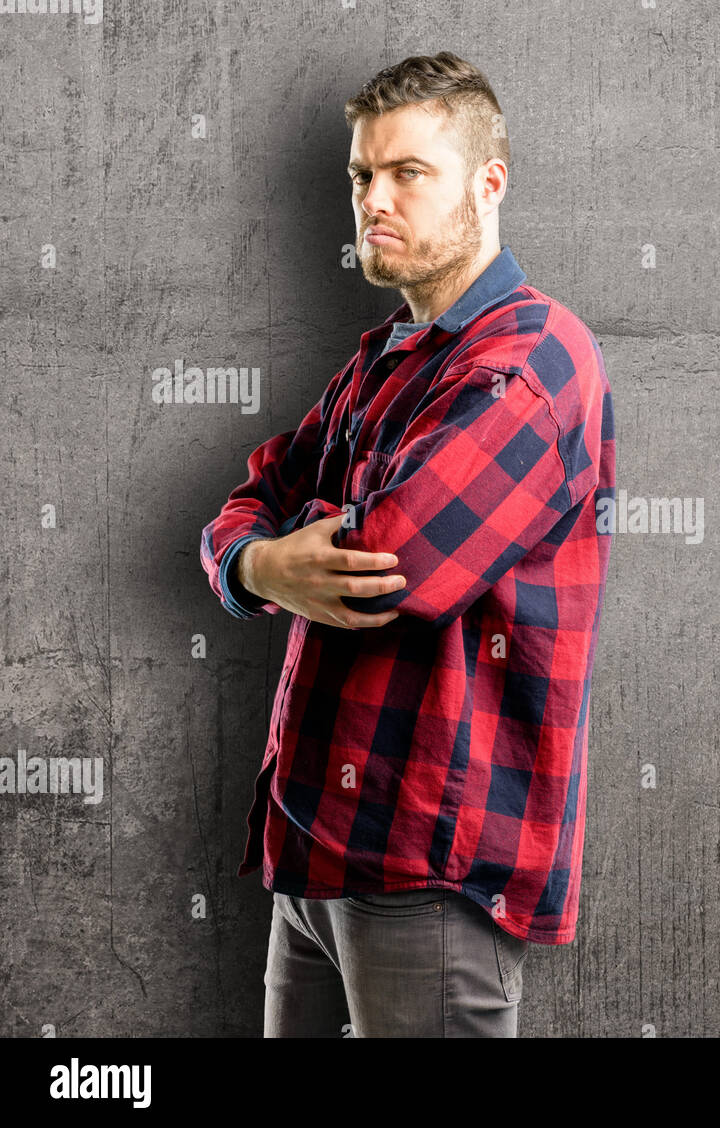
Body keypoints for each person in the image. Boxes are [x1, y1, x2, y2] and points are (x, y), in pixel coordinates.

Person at [198, 52, 615, 1037]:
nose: (374, 199)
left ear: (488, 181)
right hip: (310, 852)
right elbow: (250, 498)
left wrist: (274, 552)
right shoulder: (384, 358)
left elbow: (393, 564)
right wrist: (257, 565)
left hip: (428, 867)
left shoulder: (535, 357)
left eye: (407, 173)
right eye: (360, 176)